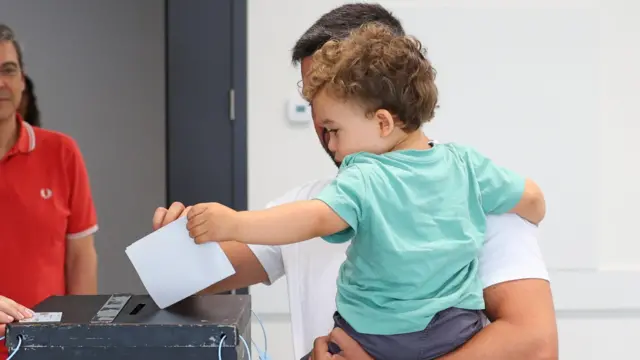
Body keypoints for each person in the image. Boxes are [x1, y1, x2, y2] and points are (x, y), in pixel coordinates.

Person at [152, 3, 558, 360]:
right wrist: (177, 241)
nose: (321, 127)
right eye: (312, 103)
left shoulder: (482, 202)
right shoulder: (307, 204)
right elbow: (178, 279)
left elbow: (536, 346)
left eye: (332, 111)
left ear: (381, 113)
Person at [0, 24, 99, 357]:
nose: (1, 82)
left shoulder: (62, 152)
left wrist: (82, 341)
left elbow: (81, 257)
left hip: (46, 349)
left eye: (8, 70)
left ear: (22, 79)